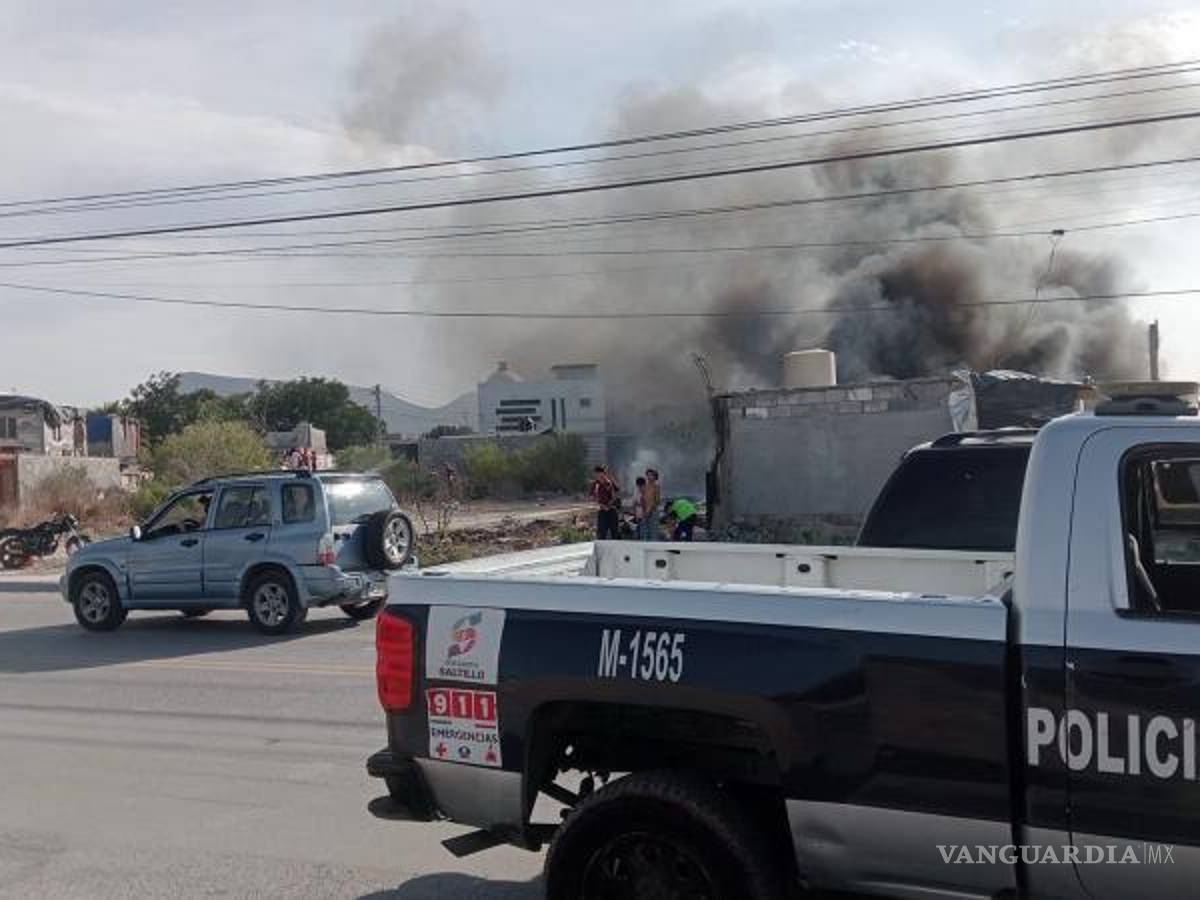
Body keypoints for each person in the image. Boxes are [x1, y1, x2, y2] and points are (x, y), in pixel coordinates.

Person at [589, 465, 620, 540]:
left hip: (612, 509)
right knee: (601, 532)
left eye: (599, 473)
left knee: (614, 531)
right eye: (596, 474)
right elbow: (592, 497)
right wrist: (600, 504)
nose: (597, 476)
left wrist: (610, 477)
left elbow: (617, 490)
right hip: (602, 510)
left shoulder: (609, 482)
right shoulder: (595, 484)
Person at [643, 469, 662, 540]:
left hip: (653, 511)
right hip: (645, 511)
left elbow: (657, 501)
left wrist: (650, 508)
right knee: (646, 530)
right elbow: (643, 499)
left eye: (651, 475)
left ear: (655, 477)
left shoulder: (656, 486)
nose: (649, 477)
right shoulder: (646, 486)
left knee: (653, 531)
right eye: (648, 475)